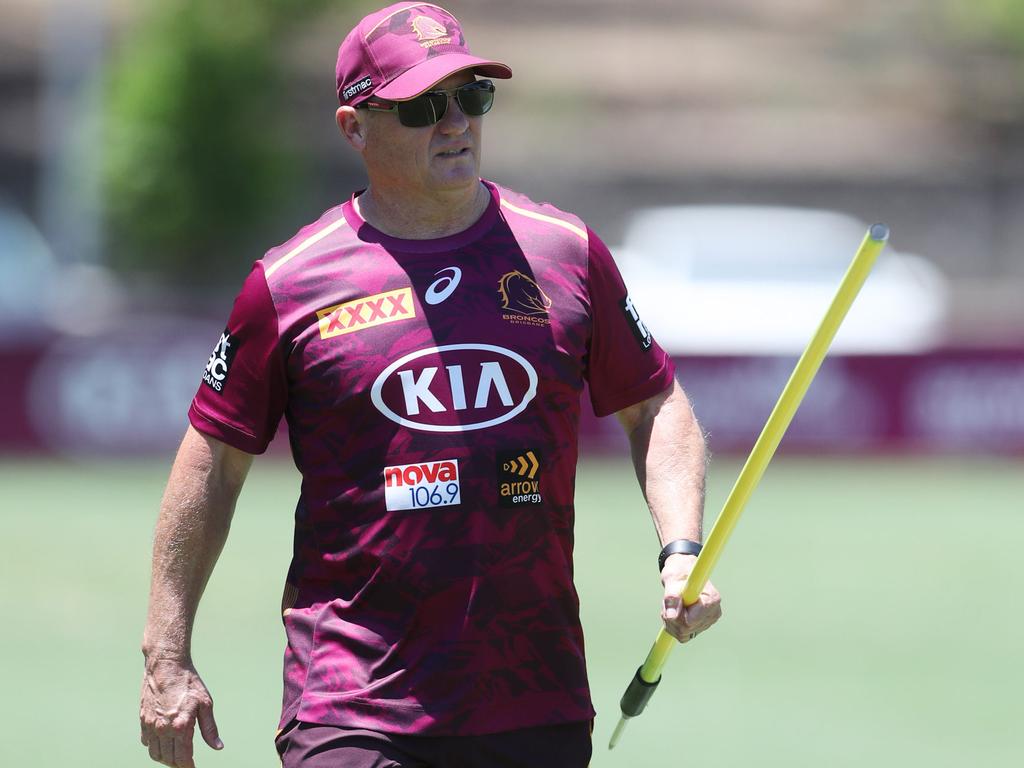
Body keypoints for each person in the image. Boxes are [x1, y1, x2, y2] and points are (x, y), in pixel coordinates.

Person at [139, 3, 722, 767]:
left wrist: (682, 548)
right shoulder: (288, 284)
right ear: (355, 128)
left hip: (532, 697)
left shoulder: (567, 254)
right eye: (422, 107)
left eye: (472, 97)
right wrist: (166, 656)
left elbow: (655, 405)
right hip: (352, 704)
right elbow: (213, 462)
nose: (456, 123)